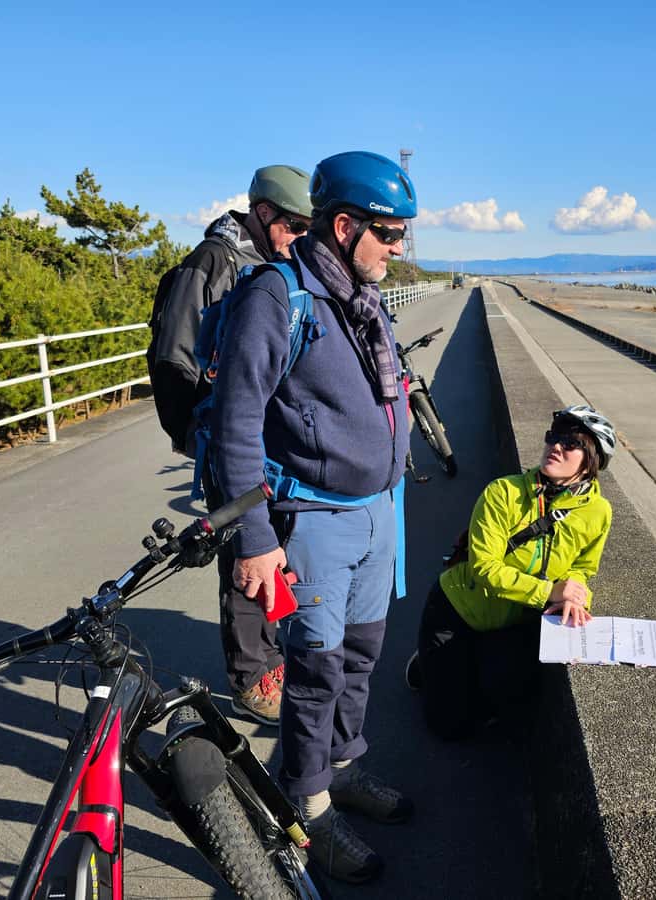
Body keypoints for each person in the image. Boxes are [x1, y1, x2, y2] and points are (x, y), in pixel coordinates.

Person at [208, 151, 416, 884]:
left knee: (360, 658)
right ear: (343, 224)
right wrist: (255, 541)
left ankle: (344, 767)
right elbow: (236, 425)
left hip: (374, 515)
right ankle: (308, 808)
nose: (399, 248)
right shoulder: (279, 293)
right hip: (315, 519)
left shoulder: (357, 297)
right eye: (389, 234)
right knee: (315, 673)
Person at [152, 165, 313, 726]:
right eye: (294, 225)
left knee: (273, 537)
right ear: (264, 214)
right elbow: (174, 356)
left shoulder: (267, 261)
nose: (300, 237)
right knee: (245, 545)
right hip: (226, 432)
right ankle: (252, 675)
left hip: (263, 433)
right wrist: (203, 435)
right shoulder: (214, 261)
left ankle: (268, 654)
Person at [407, 405, 616, 740]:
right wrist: (549, 593)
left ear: (591, 462)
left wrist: (577, 595)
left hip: (514, 620)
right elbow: (485, 567)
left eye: (571, 442)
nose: (556, 446)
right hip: (459, 608)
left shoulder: (598, 511)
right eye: (553, 436)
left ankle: (457, 667)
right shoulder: (505, 492)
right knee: (447, 727)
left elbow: (583, 566)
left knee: (507, 707)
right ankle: (428, 662)